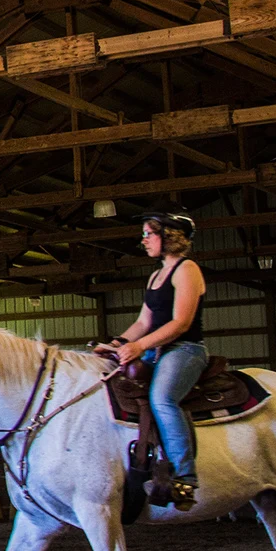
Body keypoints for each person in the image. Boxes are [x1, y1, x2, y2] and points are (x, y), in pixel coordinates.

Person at [102, 211, 209, 512]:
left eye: (149, 233)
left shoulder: (187, 270)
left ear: (169, 237)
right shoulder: (154, 276)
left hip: (184, 349)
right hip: (154, 350)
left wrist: (138, 346)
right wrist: (116, 344)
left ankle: (185, 475)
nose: (144, 239)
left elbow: (180, 323)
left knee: (162, 398)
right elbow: (143, 321)